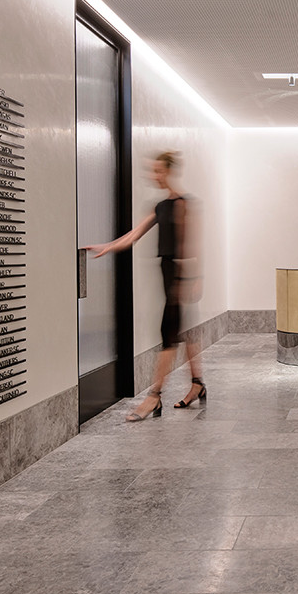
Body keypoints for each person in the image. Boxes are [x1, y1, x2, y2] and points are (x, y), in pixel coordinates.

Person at [87, 151, 207, 421]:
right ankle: (198, 384)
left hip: (180, 274)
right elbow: (133, 236)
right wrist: (107, 246)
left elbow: (193, 243)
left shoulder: (185, 204)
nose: (154, 176)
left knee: (168, 334)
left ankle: (154, 397)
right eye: (153, 171)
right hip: (167, 273)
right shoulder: (160, 206)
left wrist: (195, 278)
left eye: (158, 171)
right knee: (186, 333)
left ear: (168, 172)